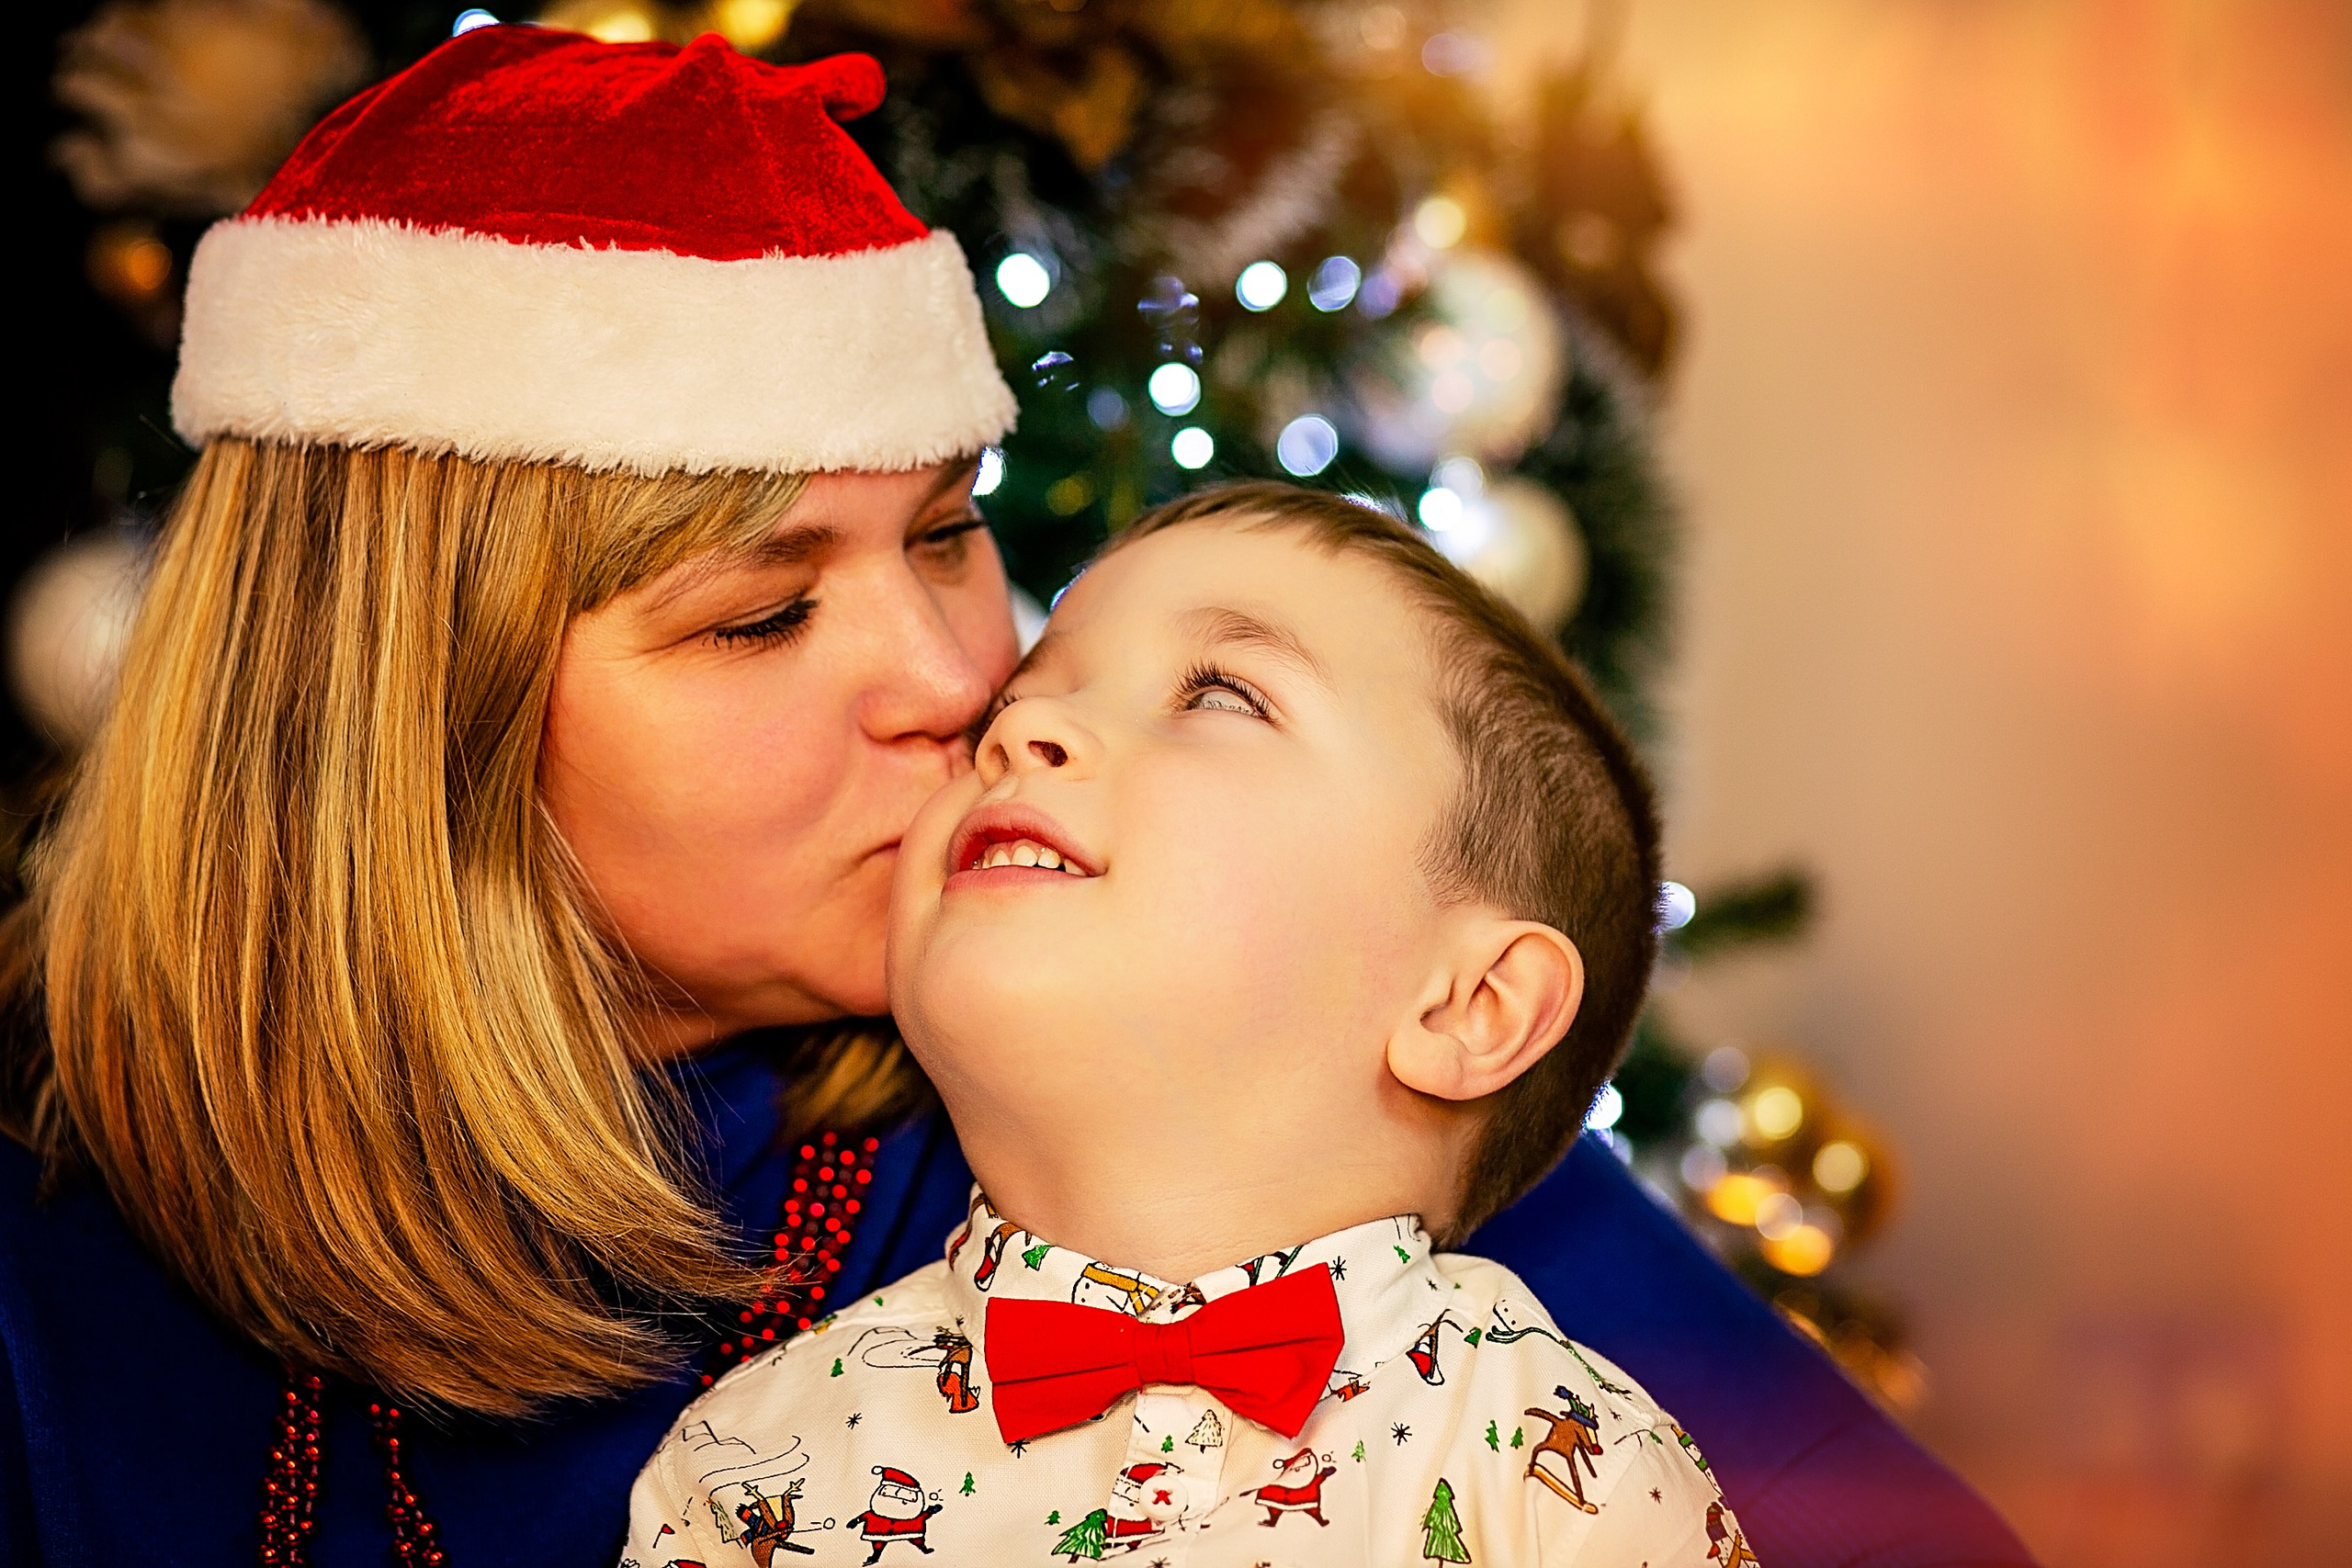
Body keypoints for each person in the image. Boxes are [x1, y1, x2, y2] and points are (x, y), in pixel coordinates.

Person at [0, 22, 2033, 1568]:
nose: (966, 680)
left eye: (955, 534)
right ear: (402, 737)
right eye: (759, 617)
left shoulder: (1203, 1104)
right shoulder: (70, 1259)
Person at [626, 482, 1756, 1565]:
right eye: (1020, 701)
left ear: (1469, 1005)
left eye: (1217, 693)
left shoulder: (1579, 1476)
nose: (1023, 731)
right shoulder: (742, 1473)